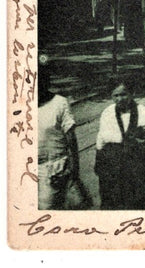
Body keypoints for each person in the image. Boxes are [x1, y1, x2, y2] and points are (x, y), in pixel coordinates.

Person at [95, 82, 145, 210]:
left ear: (131, 94)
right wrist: (99, 162)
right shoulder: (107, 113)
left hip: (137, 166)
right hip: (113, 166)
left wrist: (143, 142)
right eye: (115, 95)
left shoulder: (144, 112)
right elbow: (101, 140)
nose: (119, 99)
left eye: (123, 94)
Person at [38, 61, 83, 210]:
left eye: (41, 79)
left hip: (53, 169)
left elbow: (71, 139)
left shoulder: (59, 103)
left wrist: (75, 172)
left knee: (46, 210)